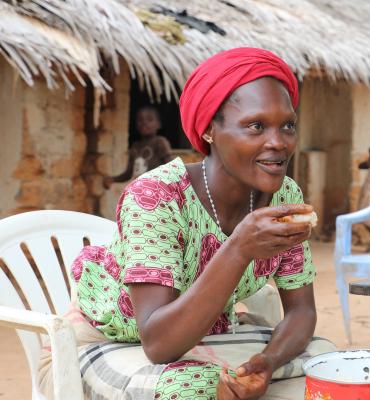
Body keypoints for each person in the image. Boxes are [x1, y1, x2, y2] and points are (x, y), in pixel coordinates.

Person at [37, 48, 335, 400]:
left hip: (210, 336)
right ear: (210, 129)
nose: (279, 142)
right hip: (108, 341)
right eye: (256, 126)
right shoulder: (156, 197)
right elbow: (159, 344)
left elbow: (301, 312)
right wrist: (239, 248)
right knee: (193, 388)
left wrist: (268, 362)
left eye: (287, 125)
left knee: (330, 361)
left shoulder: (285, 197)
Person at [103, 105, 173, 188]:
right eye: (140, 120)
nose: (144, 123)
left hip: (156, 189)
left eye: (150, 119)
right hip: (139, 189)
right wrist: (113, 179)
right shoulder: (135, 146)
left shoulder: (160, 142)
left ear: (158, 124)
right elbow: (129, 173)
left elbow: (170, 167)